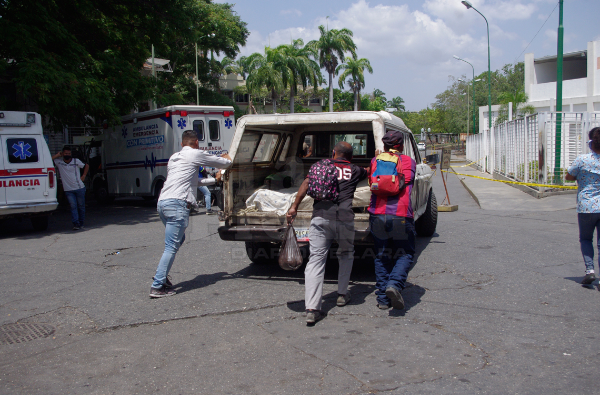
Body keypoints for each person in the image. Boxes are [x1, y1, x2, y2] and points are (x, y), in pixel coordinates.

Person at [286, 141, 368, 325]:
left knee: (316, 259)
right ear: (351, 156)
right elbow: (370, 171)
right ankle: (342, 294)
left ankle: (312, 308)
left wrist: (294, 207)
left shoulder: (321, 167)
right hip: (345, 218)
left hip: (321, 217)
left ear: (333, 152)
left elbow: (306, 184)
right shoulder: (355, 170)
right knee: (346, 253)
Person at [150, 130, 232, 298]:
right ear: (196, 143)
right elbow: (224, 163)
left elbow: (193, 181)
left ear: (182, 144)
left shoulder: (174, 158)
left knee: (178, 240)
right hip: (177, 204)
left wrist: (215, 180)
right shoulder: (195, 154)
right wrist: (228, 158)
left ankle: (161, 277)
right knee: (171, 246)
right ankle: (158, 285)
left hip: (163, 203)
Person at [368, 130, 416, 310]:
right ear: (401, 146)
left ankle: (382, 299)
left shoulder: (375, 161)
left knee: (381, 255)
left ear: (385, 145)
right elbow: (408, 181)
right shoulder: (408, 161)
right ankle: (394, 285)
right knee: (405, 253)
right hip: (401, 214)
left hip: (377, 214)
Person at [566, 126, 600, 285]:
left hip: (586, 206)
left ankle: (590, 270)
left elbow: (569, 176)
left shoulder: (582, 159)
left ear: (591, 143)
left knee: (586, 239)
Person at [52, 146, 89, 230]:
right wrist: (57, 155)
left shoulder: (76, 161)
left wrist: (84, 175)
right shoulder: (59, 162)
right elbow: (48, 161)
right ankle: (76, 223)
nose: (67, 155)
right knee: (73, 206)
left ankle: (81, 222)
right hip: (68, 189)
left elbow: (86, 165)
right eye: (65, 153)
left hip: (79, 187)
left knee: (81, 206)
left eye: (69, 153)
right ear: (63, 154)